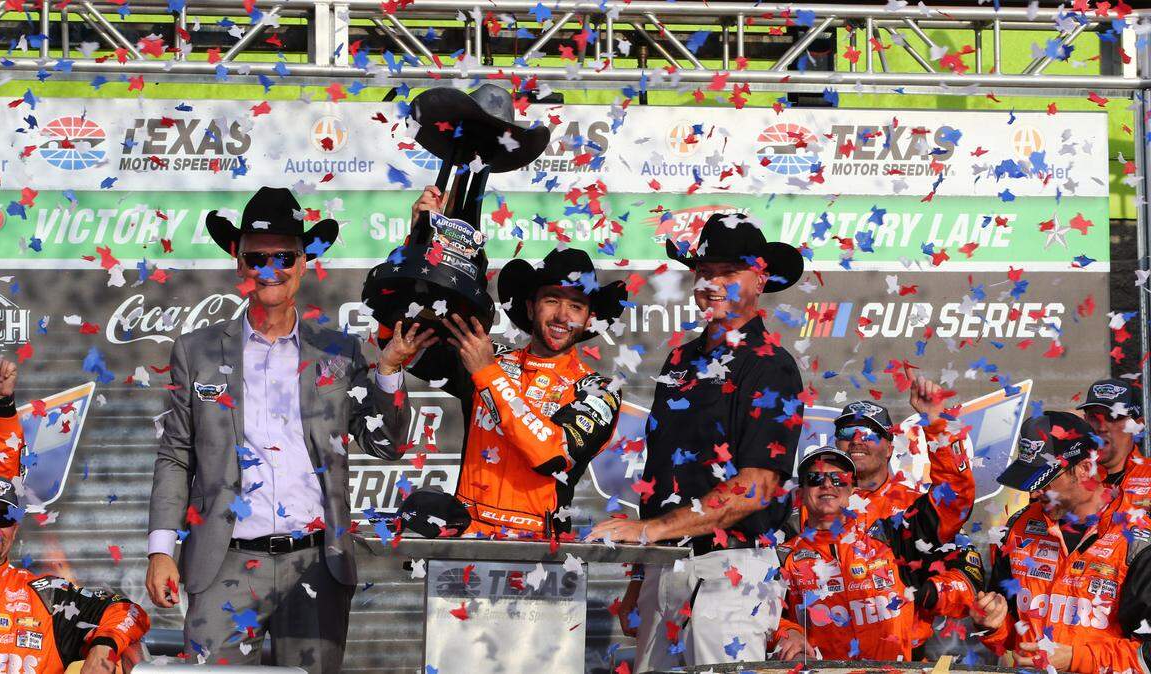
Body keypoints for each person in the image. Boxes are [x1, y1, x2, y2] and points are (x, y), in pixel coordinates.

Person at [145, 186, 422, 672]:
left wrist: (389, 370)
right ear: (239, 262)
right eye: (257, 257)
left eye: (284, 257)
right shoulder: (196, 350)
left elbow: (387, 443)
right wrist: (160, 551)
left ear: (304, 263)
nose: (270, 268)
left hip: (316, 564)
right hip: (223, 563)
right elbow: (176, 454)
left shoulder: (339, 351)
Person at [589, 212, 806, 671]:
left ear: (760, 279)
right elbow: (662, 479)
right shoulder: (680, 359)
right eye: (705, 271)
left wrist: (650, 532)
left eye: (729, 272)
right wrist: (640, 575)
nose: (713, 283)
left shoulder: (771, 365)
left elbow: (757, 486)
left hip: (731, 574)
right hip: (663, 566)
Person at [399, 185, 626, 537]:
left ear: (589, 319)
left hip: (539, 552)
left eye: (576, 306)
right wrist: (418, 240)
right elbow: (400, 336)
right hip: (465, 547)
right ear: (531, 307)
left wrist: (487, 374)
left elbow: (551, 456)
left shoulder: (599, 390)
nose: (562, 315)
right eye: (552, 300)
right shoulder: (485, 355)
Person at [974, 411, 1151, 674]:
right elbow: (1012, 636)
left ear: (1084, 469)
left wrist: (1074, 659)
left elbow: (1147, 656)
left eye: (1045, 481)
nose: (1034, 492)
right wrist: (992, 625)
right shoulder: (1018, 528)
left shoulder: (1139, 542)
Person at [772, 446, 982, 662]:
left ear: (853, 491)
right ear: (800, 495)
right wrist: (789, 633)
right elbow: (766, 619)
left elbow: (953, 501)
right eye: (815, 478)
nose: (827, 484)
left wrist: (939, 429)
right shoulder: (783, 558)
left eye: (839, 479)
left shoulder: (891, 538)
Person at [828, 381, 976, 656]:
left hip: (901, 656)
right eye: (847, 432)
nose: (857, 440)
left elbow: (969, 577)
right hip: (828, 659)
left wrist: (926, 593)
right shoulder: (812, 506)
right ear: (836, 443)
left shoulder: (913, 505)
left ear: (889, 447)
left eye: (869, 433)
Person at [0, 471, 149, 673]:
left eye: (3, 518)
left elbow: (130, 612)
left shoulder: (48, 595)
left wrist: (104, 646)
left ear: (14, 530)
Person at [1077, 378, 1151, 523]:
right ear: (1085, 420)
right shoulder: (1066, 477)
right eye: (1094, 417)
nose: (1101, 427)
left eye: (1113, 416)